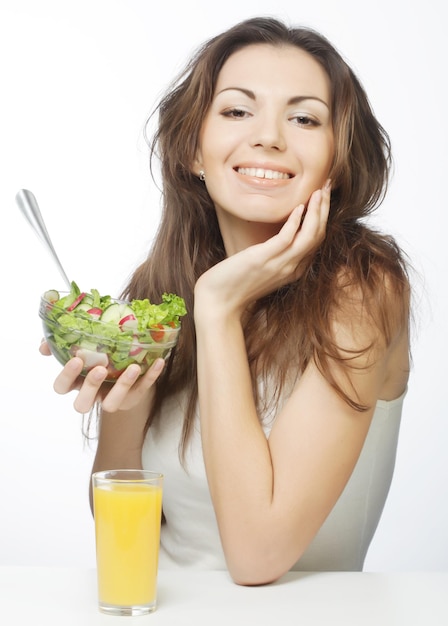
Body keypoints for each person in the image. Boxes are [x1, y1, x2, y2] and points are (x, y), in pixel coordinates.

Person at [42, 17, 411, 585]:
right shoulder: (158, 290)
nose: (268, 137)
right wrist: (125, 393)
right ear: (193, 148)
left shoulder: (362, 287)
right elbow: (123, 527)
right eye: (237, 111)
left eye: (305, 118)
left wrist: (217, 309)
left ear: (337, 160)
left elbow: (257, 556)